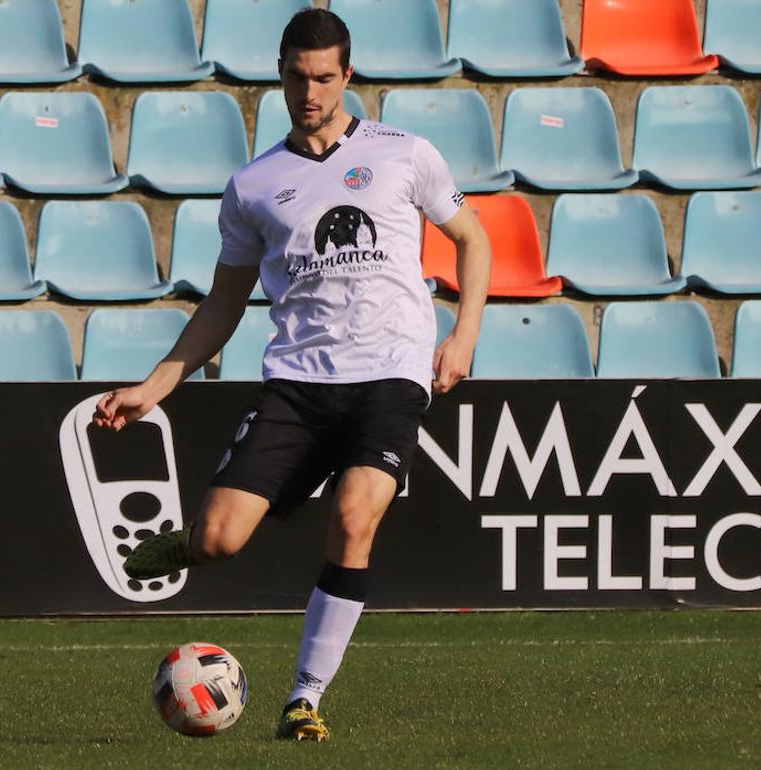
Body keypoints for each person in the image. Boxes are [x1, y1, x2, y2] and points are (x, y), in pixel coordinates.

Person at [92, 8, 491, 742]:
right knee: (217, 541)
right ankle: (194, 544)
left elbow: (472, 238)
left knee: (353, 516)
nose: (310, 92)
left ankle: (304, 697)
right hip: (299, 383)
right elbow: (223, 303)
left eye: (324, 78)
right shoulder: (253, 185)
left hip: (390, 374)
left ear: (347, 76)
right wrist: (151, 388)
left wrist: (462, 336)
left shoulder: (406, 154)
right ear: (279, 73)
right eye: (298, 77)